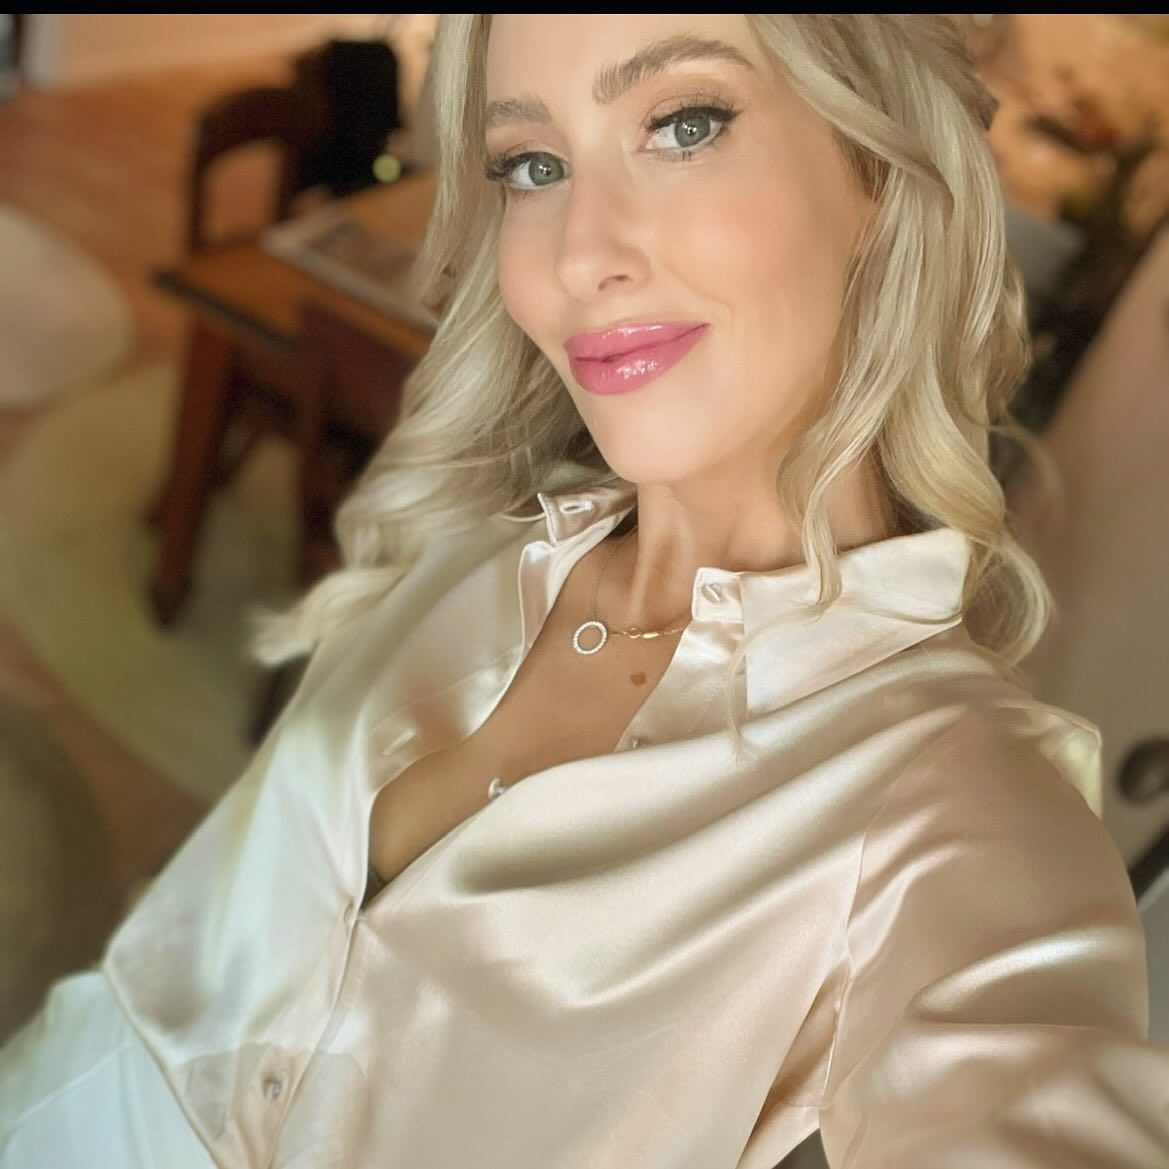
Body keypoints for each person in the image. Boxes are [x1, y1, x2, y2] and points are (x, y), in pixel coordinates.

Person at [2, 14, 1168, 1168]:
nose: (575, 253)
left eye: (683, 124)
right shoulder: (479, 539)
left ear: (876, 169)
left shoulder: (948, 809)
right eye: (531, 164)